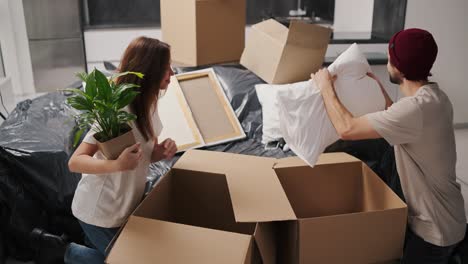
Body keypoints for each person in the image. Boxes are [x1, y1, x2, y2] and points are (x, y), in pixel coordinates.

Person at [312, 28, 466, 263]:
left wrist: (325, 87)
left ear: (399, 68)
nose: (387, 62)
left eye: (390, 58)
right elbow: (400, 118)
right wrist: (380, 91)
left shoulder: (413, 110)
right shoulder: (435, 98)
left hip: (434, 232)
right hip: (451, 216)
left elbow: (347, 128)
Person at [59, 36, 177, 263]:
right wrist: (117, 165)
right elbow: (76, 161)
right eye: (166, 67)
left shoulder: (148, 103)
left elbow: (140, 157)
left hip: (124, 208)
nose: (172, 73)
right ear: (150, 70)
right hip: (100, 213)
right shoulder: (117, 110)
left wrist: (159, 153)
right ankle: (66, 252)